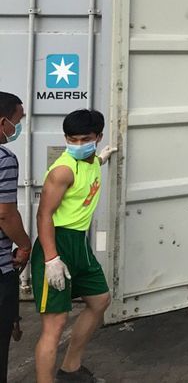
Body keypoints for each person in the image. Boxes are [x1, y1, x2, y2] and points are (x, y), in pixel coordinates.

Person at [31, 109, 116, 383]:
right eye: (72, 139)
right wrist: (51, 259)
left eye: (85, 139)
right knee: (55, 324)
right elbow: (43, 215)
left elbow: (92, 164)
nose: (78, 145)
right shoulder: (63, 171)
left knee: (100, 300)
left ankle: (70, 368)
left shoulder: (91, 161)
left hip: (79, 242)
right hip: (57, 243)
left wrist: (102, 158)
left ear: (98, 138)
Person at [0, 92, 31, 382]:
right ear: (2, 122)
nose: (16, 128)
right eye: (17, 121)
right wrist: (24, 244)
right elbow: (5, 214)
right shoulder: (4, 159)